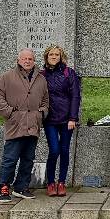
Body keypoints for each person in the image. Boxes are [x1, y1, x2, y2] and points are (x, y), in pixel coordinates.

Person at [0, 48, 48, 203]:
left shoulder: (41, 79)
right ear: (18, 60)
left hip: (33, 125)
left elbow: (45, 100)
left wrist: (41, 113)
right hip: (15, 125)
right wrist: (10, 113)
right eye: (24, 59)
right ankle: (3, 187)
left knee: (28, 159)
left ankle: (21, 187)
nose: (27, 61)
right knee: (10, 159)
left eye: (30, 59)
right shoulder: (6, 77)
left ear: (34, 61)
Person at [42, 44, 81, 197]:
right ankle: (50, 182)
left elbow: (75, 96)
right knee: (54, 150)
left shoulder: (68, 73)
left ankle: (62, 182)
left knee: (64, 150)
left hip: (66, 119)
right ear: (46, 56)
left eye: (56, 54)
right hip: (50, 119)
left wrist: (73, 118)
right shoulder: (42, 75)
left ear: (61, 57)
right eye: (51, 54)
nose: (53, 57)